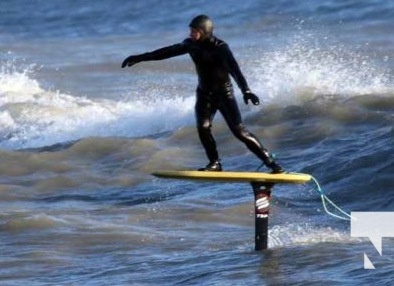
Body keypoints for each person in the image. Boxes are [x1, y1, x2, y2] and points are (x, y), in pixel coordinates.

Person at [121, 14, 284, 173]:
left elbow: (235, 71)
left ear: (204, 31)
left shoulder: (221, 48)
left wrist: (246, 91)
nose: (190, 34)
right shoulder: (191, 44)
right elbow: (166, 52)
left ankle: (270, 162)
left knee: (239, 132)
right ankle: (214, 163)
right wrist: (140, 57)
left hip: (224, 94)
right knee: (203, 128)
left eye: (194, 31)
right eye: (190, 31)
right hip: (204, 93)